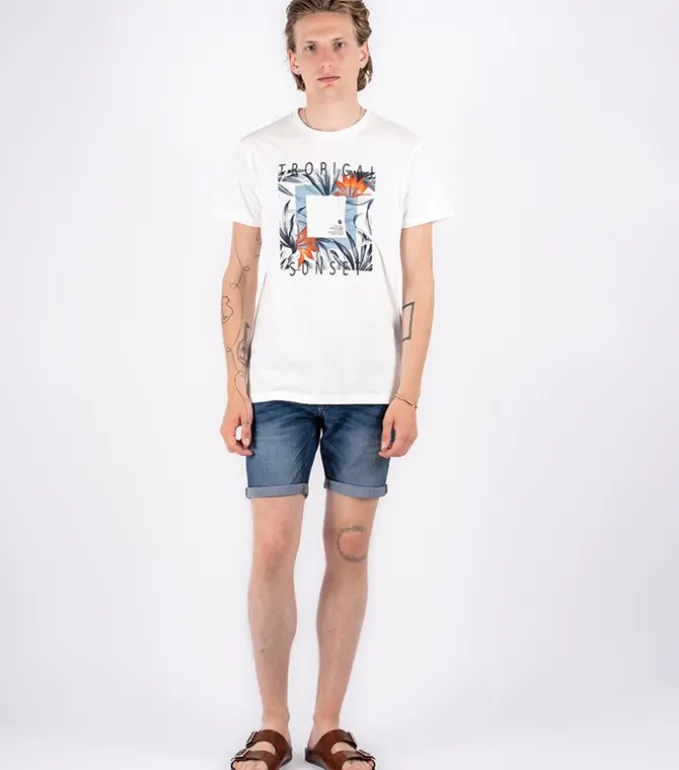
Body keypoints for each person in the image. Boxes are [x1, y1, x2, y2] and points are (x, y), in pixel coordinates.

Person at [216, 2, 453, 768]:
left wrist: (407, 394)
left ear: (363, 52)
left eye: (338, 43)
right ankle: (273, 724)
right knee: (271, 551)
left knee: (349, 550)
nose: (325, 58)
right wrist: (236, 385)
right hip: (278, 385)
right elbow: (240, 272)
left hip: (368, 388)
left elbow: (420, 281)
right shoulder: (259, 151)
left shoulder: (404, 152)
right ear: (291, 58)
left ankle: (327, 727)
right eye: (310, 45)